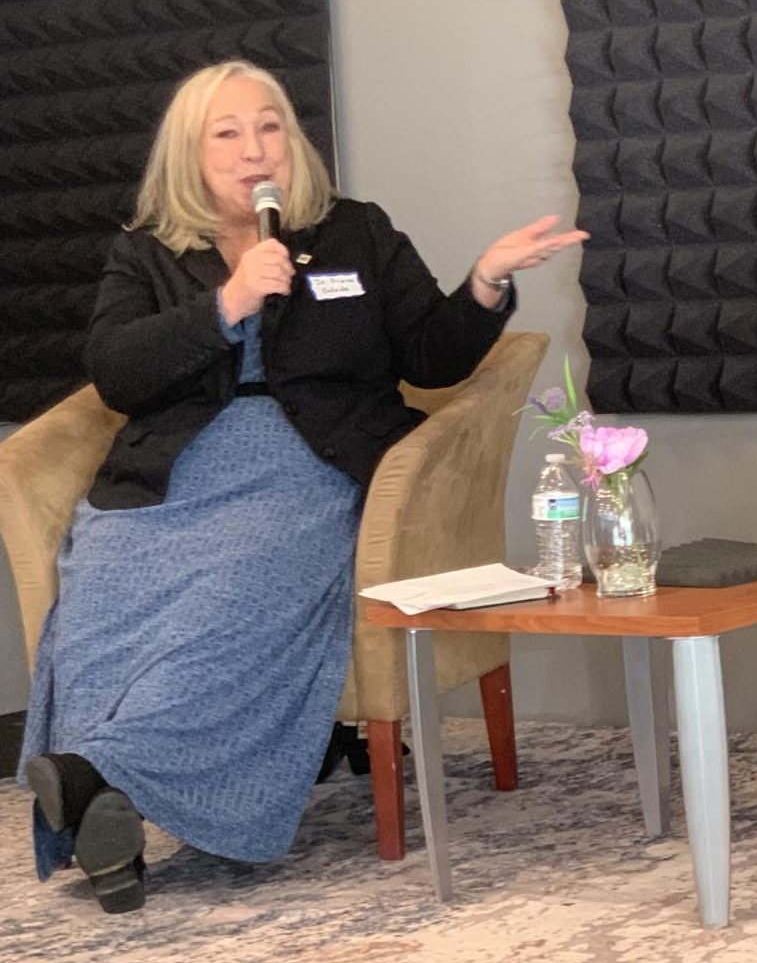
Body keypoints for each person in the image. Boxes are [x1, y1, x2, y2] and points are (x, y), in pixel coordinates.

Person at [20, 60, 586, 914]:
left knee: (228, 592)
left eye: (270, 127)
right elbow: (116, 376)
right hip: (171, 471)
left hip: (304, 466)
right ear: (190, 152)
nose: (255, 149)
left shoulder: (354, 231)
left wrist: (485, 282)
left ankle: (100, 775)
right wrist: (226, 305)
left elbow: (430, 356)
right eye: (228, 133)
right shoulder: (147, 250)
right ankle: (110, 802)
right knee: (106, 585)